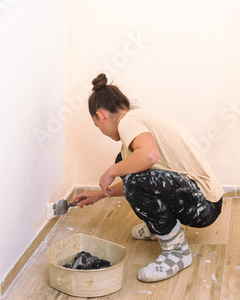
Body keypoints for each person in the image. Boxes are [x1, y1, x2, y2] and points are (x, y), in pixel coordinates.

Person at [71, 73, 224, 282]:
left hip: (204, 206)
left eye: (98, 126)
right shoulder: (136, 124)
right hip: (198, 199)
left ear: (101, 115)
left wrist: (111, 171)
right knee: (127, 166)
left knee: (131, 174)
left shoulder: (129, 122)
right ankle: (162, 227)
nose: (101, 131)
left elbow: (149, 157)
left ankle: (177, 252)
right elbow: (140, 182)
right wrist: (100, 194)